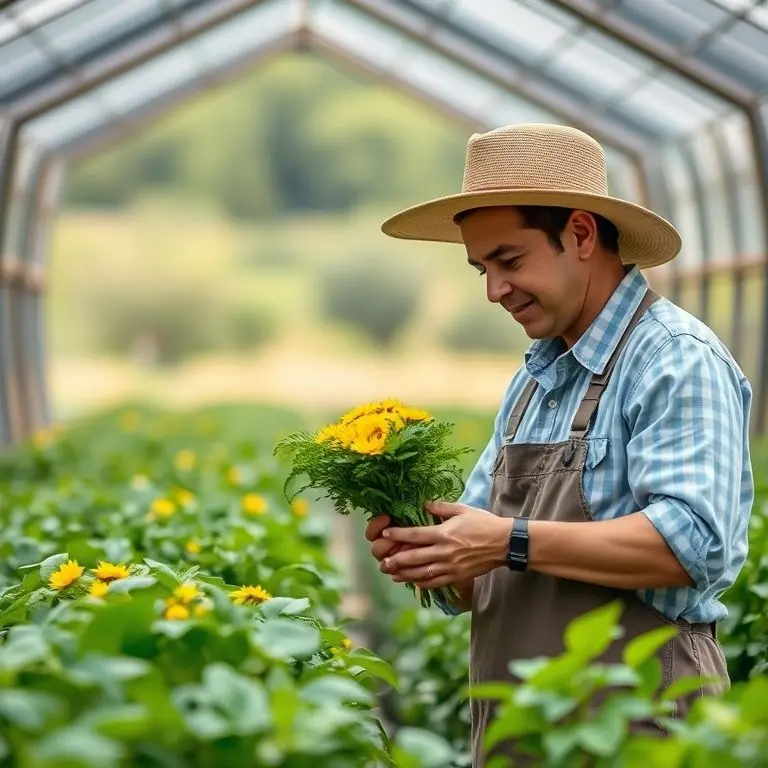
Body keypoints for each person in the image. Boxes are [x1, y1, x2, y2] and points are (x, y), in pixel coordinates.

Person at [364, 123, 754, 766]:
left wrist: (505, 540)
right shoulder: (536, 379)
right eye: (482, 267)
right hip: (525, 729)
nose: (494, 290)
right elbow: (480, 560)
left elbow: (692, 545)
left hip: (637, 730)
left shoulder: (672, 360)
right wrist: (434, 556)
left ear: (579, 234)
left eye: (509, 260)